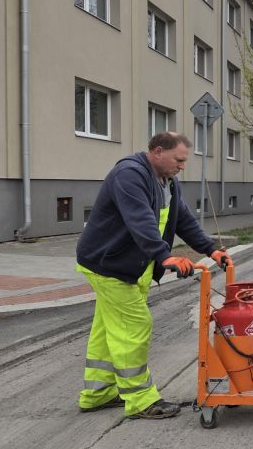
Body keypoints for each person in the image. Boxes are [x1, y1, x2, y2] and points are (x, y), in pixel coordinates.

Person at [76, 132, 228, 420]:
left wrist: (210, 249)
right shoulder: (130, 175)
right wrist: (164, 256)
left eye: (184, 161)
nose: (182, 166)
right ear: (158, 152)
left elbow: (182, 219)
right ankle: (141, 400)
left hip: (131, 266)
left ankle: (98, 393)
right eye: (178, 160)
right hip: (110, 265)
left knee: (107, 331)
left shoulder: (167, 181)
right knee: (134, 326)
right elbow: (140, 219)